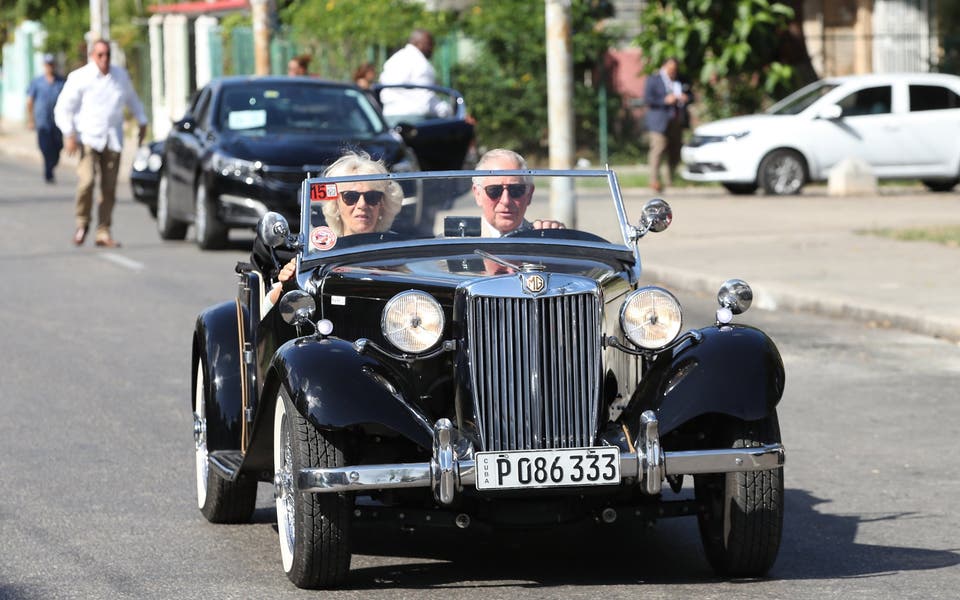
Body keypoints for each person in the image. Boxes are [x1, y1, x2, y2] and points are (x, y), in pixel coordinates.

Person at [54, 39, 147, 248]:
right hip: (88, 138)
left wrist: (142, 120)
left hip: (113, 138)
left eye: (107, 55)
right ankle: (82, 223)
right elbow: (63, 108)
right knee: (86, 182)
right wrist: (69, 134)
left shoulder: (119, 76)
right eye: (100, 55)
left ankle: (103, 230)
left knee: (109, 188)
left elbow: (132, 99)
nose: (104, 59)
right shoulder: (80, 78)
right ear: (92, 56)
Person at [471, 148, 565, 236]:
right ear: (477, 194)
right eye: (494, 190)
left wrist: (557, 235)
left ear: (529, 194)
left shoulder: (544, 238)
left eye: (516, 190)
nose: (506, 201)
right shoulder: (460, 244)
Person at [320, 151, 404, 237]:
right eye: (350, 196)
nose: (362, 205)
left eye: (372, 197)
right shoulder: (321, 248)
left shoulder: (399, 246)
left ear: (383, 205)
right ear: (336, 204)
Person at [378, 28, 451, 123]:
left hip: (389, 116)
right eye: (430, 44)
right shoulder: (421, 64)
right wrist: (447, 110)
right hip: (415, 118)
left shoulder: (394, 59)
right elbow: (425, 98)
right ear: (419, 43)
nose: (432, 48)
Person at [644, 57, 693, 193]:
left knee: (675, 151)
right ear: (664, 67)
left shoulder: (681, 80)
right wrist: (664, 100)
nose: (673, 72)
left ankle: (669, 179)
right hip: (659, 121)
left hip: (677, 121)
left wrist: (686, 98)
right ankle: (654, 180)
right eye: (671, 69)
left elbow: (691, 95)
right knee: (658, 149)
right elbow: (648, 99)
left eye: (675, 70)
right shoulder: (654, 79)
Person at [26, 53, 66, 183]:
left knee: (58, 146)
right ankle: (48, 171)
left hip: (58, 121)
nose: (50, 67)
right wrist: (31, 119)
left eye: (52, 64)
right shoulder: (37, 82)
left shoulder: (61, 81)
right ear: (44, 66)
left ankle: (51, 165)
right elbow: (30, 101)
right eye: (47, 64)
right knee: (45, 147)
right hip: (42, 121)